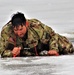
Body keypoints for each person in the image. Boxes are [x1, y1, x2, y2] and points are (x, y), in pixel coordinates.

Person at [0, 12, 74, 57]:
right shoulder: (6, 32)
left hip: (45, 44)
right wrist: (11, 53)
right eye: (15, 30)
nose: (18, 33)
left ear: (26, 24)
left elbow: (53, 35)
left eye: (21, 29)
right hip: (31, 51)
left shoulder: (36, 27)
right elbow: (2, 51)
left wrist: (53, 49)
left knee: (66, 48)